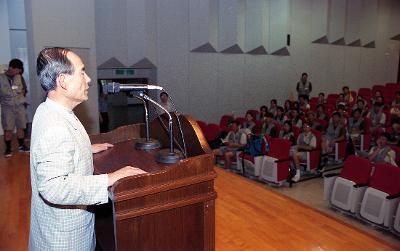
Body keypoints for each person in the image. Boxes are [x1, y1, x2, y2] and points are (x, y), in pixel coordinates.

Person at [29, 47, 147, 251]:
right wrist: (109, 178)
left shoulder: (49, 109)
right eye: (82, 72)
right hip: (63, 241)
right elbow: (54, 187)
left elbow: (56, 148)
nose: (89, 79)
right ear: (63, 81)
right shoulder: (55, 126)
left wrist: (84, 148)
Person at [0, 58, 30, 157]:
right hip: (7, 107)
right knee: (8, 128)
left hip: (19, 106)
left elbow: (24, 89)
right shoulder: (1, 78)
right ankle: (8, 149)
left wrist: (21, 99)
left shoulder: (19, 77)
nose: (18, 72)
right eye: (17, 70)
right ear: (11, 68)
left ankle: (21, 146)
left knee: (21, 126)